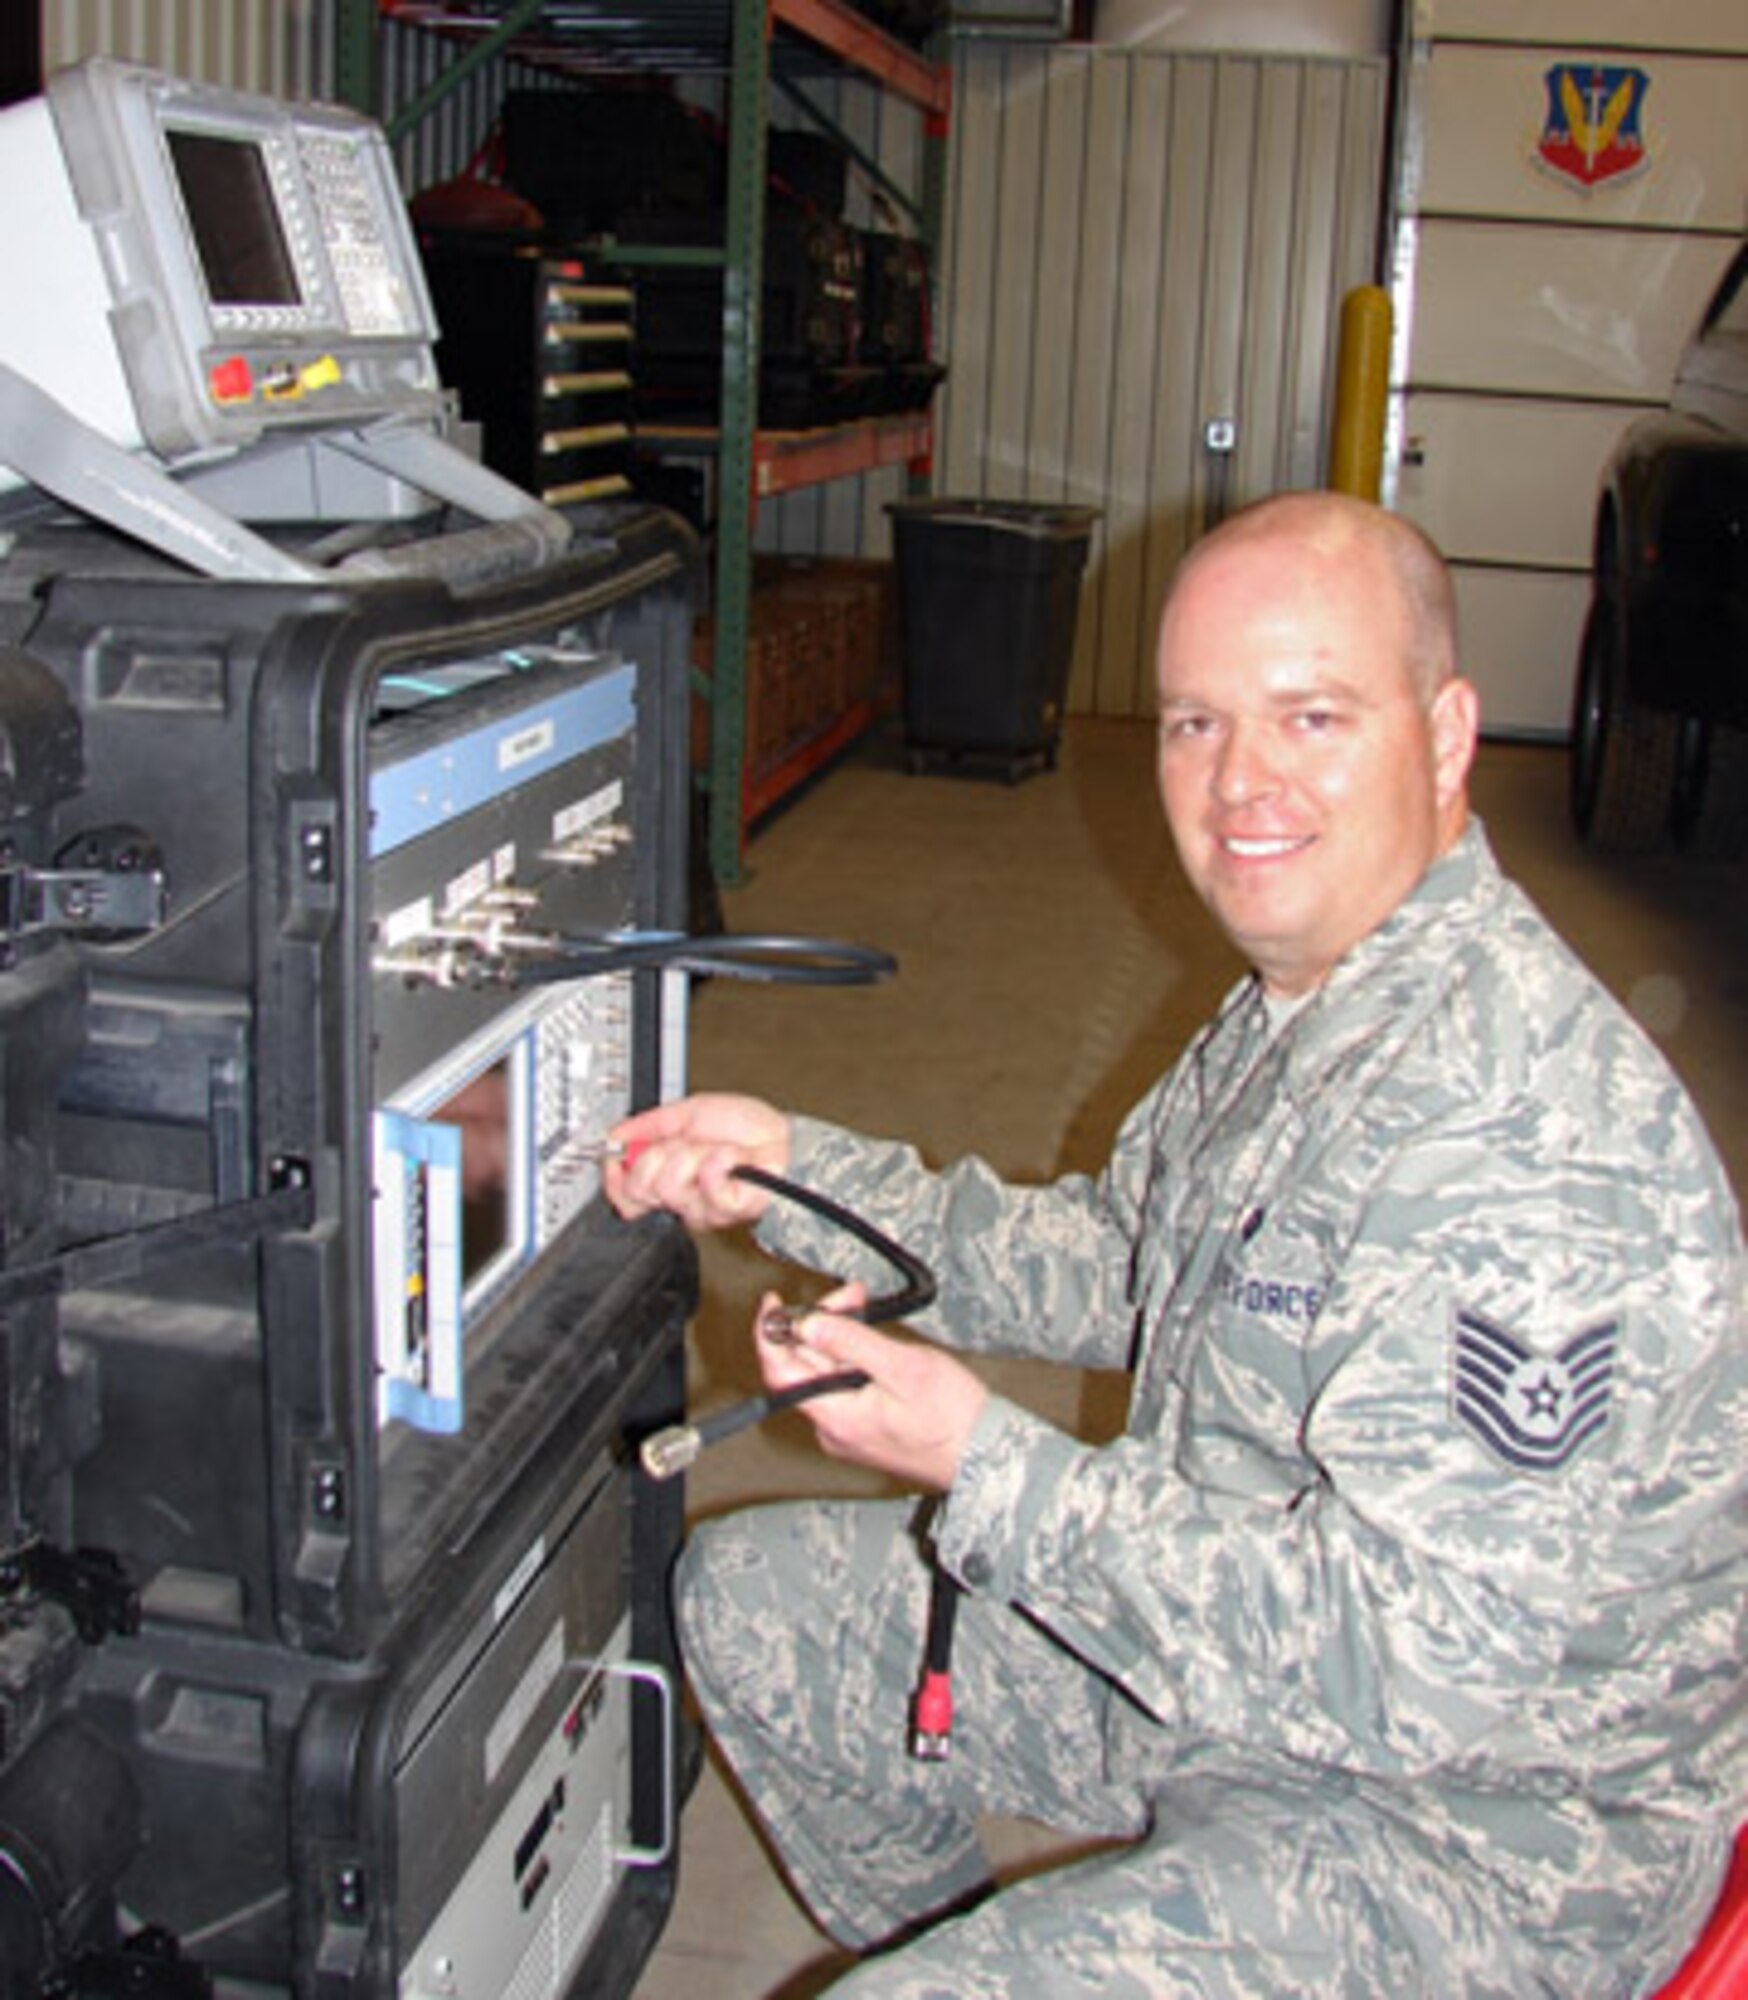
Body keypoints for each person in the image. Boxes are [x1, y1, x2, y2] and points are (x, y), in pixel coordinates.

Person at [606, 492, 1748, 1997]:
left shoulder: (1526, 1138)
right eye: (1195, 723)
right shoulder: (1312, 998)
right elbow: (1119, 1257)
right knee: (753, 1611)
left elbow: (1407, 1675)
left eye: (1313, 716)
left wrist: (990, 1462)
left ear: (1449, 735)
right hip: (1226, 1665)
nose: (1240, 784)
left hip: (1475, 1843)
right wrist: (800, 1174)